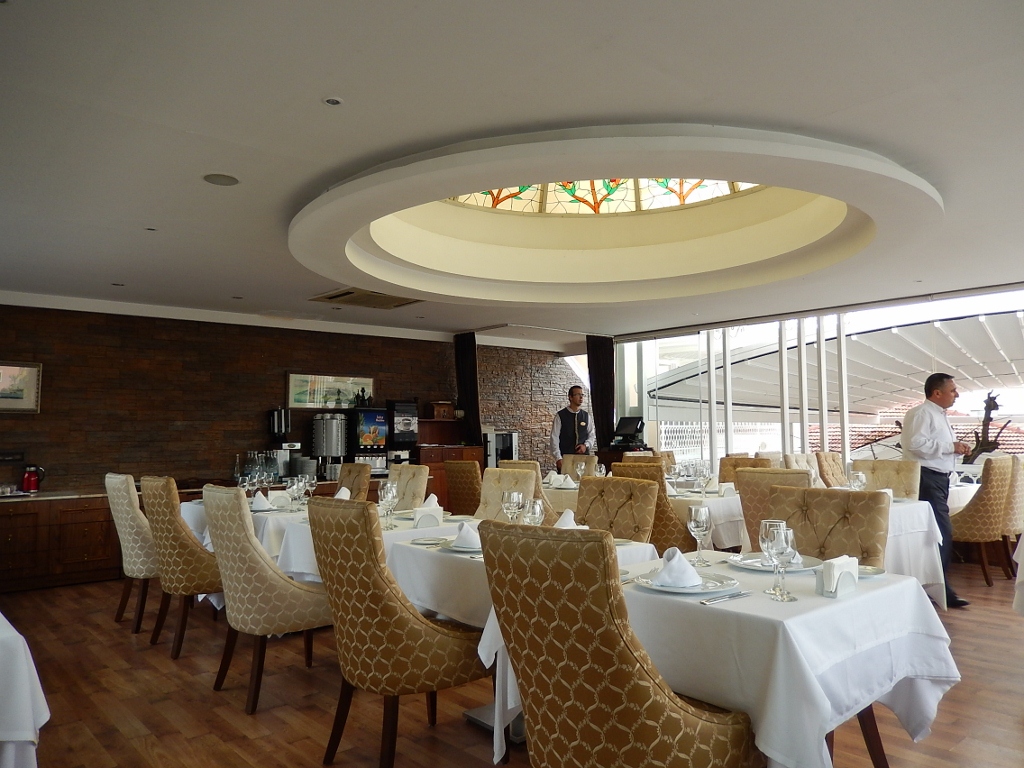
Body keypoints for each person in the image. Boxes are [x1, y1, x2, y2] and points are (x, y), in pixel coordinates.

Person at [901, 373, 973, 609]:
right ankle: (940, 590)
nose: (957, 394)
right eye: (953, 390)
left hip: (938, 480)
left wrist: (955, 449)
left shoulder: (938, 415)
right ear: (937, 392)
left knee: (936, 534)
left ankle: (934, 588)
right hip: (926, 479)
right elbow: (915, 444)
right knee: (941, 534)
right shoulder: (922, 413)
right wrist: (950, 446)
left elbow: (934, 448)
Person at [551, 385, 596, 472]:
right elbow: (554, 437)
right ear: (570, 397)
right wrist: (558, 457)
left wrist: (585, 445)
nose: (581, 397)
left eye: (582, 395)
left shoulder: (586, 416)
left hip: (583, 459)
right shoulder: (560, 416)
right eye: (578, 394)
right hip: (566, 458)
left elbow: (591, 435)